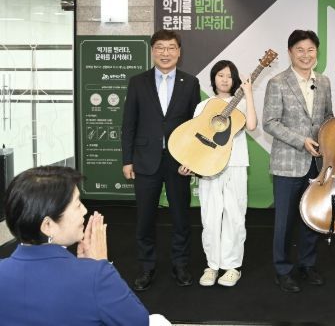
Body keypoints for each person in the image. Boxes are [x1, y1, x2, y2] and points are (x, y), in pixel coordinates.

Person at [0, 166, 152, 325]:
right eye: (77, 205)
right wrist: (102, 265)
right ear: (48, 226)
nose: (85, 210)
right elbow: (140, 322)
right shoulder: (96, 276)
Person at [122, 29, 201, 291]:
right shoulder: (138, 82)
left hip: (178, 162)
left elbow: (194, 126)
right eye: (160, 47)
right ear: (152, 51)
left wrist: (192, 159)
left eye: (170, 48)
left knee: (181, 217)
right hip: (145, 160)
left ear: (179, 52)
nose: (165, 53)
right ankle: (147, 266)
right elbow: (129, 124)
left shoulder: (190, 83)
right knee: (145, 217)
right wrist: (127, 160)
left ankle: (180, 264)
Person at [263, 29, 333, 293]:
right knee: (284, 221)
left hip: (317, 164)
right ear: (290, 52)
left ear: (317, 52)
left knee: (311, 217)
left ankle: (307, 264)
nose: (306, 55)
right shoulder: (277, 82)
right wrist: (301, 140)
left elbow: (327, 117)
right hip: (287, 163)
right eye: (300, 50)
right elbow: (270, 122)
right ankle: (282, 269)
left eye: (310, 50)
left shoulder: (323, 82)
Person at [179, 60, 257, 288]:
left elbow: (252, 125)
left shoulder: (242, 103)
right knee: (210, 218)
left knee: (235, 216)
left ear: (235, 80)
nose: (225, 79)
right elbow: (195, 136)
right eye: (220, 75)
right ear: (213, 78)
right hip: (209, 166)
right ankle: (212, 265)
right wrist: (189, 162)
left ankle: (232, 267)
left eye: (229, 76)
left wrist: (248, 93)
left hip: (236, 164)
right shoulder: (204, 106)